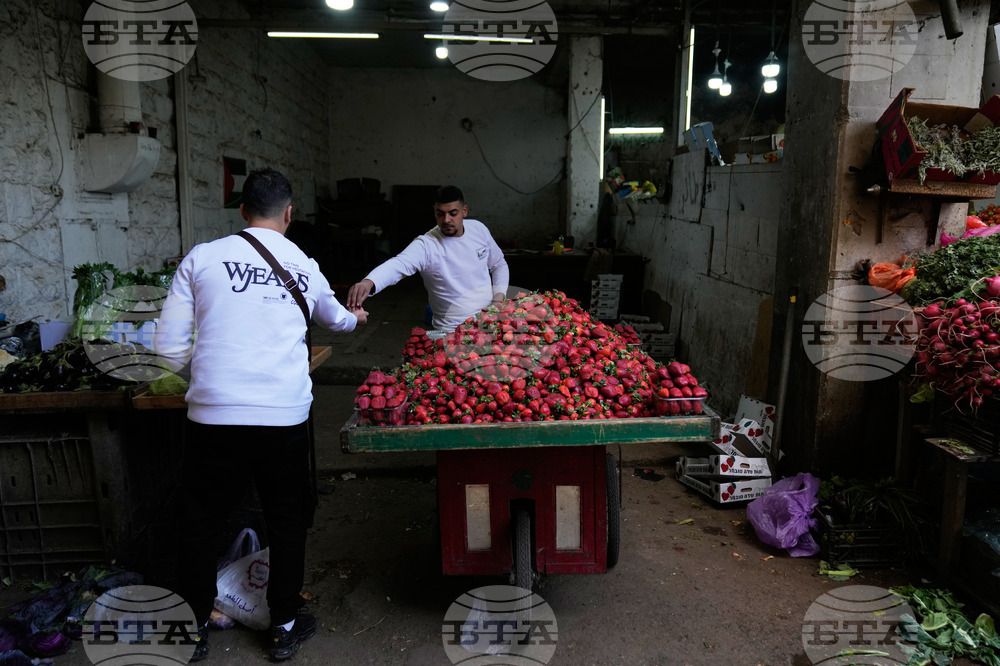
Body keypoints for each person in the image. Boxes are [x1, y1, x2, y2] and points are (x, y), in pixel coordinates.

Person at [153, 168, 367, 662]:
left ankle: (193, 631)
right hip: (283, 417)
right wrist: (355, 317)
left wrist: (211, 382)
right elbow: (335, 318)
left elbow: (166, 352)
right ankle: (283, 628)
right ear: (289, 214)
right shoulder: (302, 262)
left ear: (242, 210)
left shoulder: (201, 258)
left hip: (212, 419)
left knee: (201, 522)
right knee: (287, 521)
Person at [346, 185, 509, 331]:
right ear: (434, 212)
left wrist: (498, 299)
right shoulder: (426, 245)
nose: (446, 220)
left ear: (464, 211)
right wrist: (369, 282)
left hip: (488, 324)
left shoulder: (479, 230)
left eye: (453, 213)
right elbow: (398, 264)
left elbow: (499, 264)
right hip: (451, 331)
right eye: (440, 214)